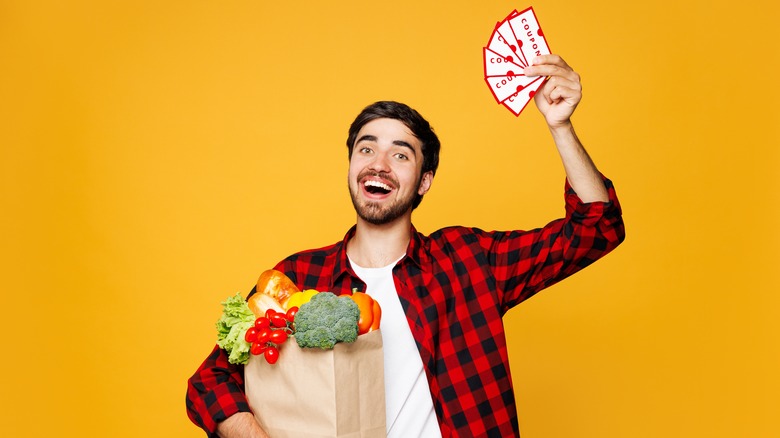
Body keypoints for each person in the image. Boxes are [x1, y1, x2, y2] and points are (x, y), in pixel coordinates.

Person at [186, 54, 625, 437]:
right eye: (366, 149)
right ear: (351, 165)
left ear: (424, 181)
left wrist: (560, 125)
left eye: (400, 154)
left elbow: (596, 229)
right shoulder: (298, 277)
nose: (379, 164)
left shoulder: (468, 261)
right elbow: (209, 382)